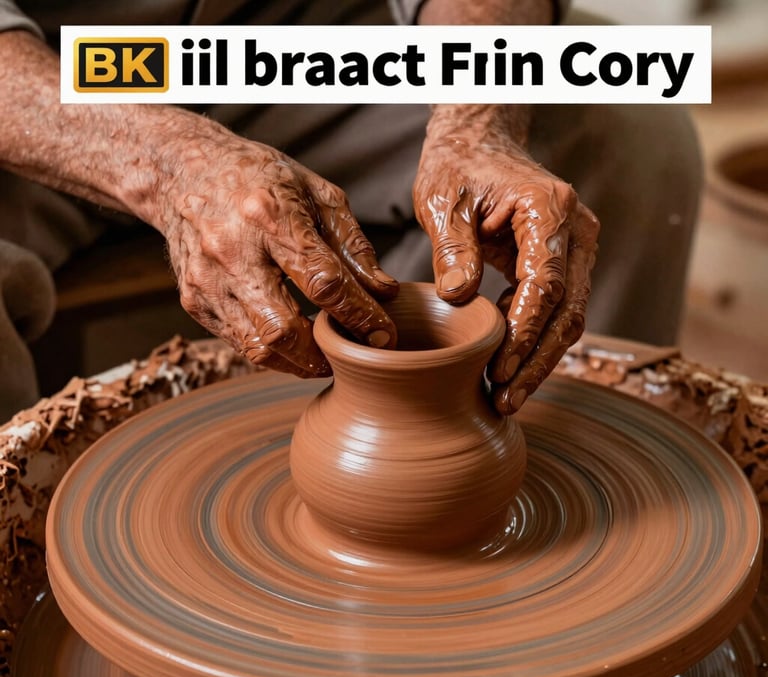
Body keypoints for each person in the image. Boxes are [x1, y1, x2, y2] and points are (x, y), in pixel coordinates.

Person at [0, 0, 700, 422]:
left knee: (624, 134)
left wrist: (475, 122)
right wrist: (171, 163)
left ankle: (549, 478)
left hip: (283, 30)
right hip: (37, 76)